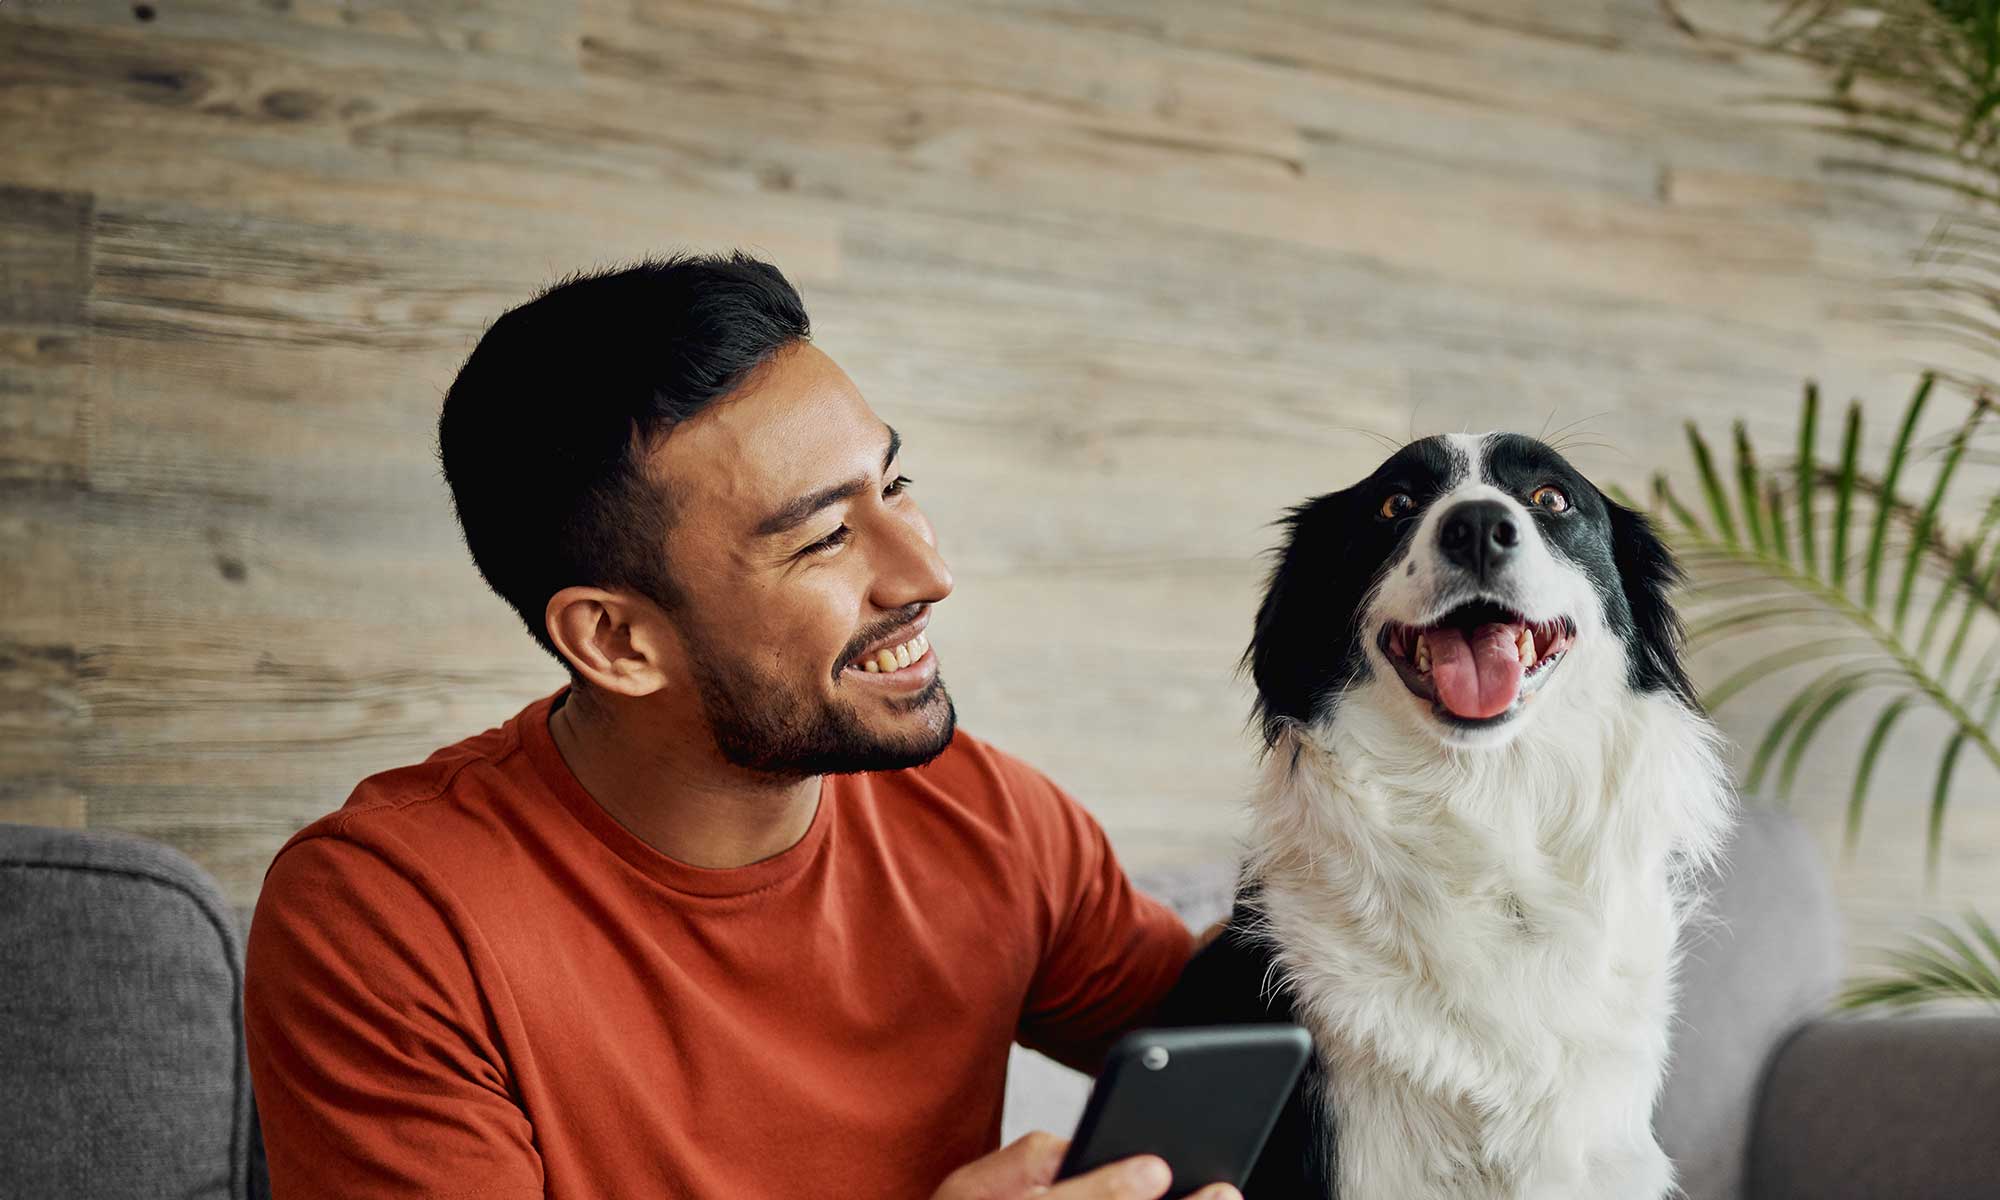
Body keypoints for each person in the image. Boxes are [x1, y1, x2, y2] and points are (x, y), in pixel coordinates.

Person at [243, 253, 1238, 1200]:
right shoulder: (386, 920)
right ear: (618, 641)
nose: (926, 576)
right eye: (824, 538)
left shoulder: (988, 819)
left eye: (892, 486)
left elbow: (1253, 1033)